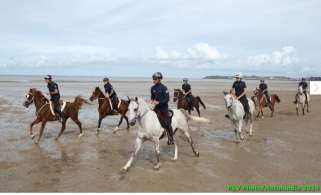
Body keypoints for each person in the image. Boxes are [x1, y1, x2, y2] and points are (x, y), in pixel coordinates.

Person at [150, 72, 174, 145]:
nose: (154, 80)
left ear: (160, 79)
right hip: (156, 108)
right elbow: (152, 97)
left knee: (167, 123)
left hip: (163, 108)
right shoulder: (152, 88)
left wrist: (158, 102)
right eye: (153, 79)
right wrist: (151, 100)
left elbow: (167, 99)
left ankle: (171, 138)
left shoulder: (164, 88)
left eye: (155, 79)